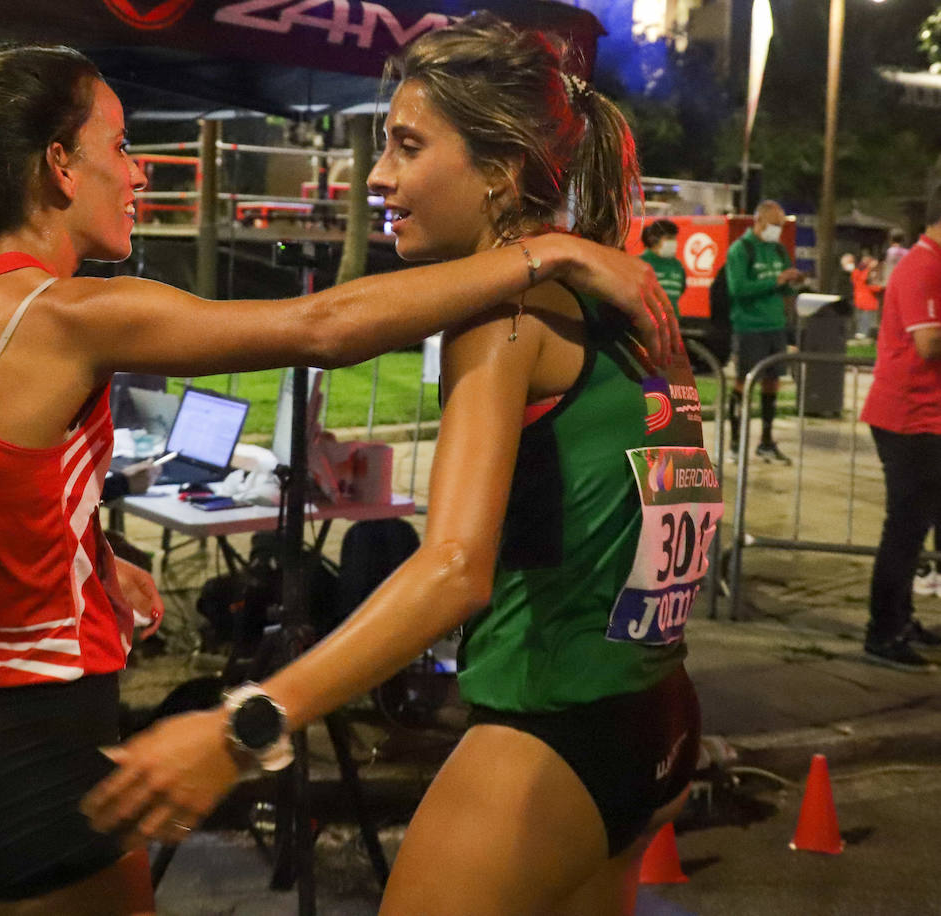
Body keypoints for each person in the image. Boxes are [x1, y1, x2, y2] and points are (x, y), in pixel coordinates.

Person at [0, 39, 675, 916]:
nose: (138, 175)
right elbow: (321, 328)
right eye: (120, 147)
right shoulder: (68, 315)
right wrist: (549, 255)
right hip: (21, 753)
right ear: (58, 165)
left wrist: (89, 553)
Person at [84, 16, 712, 916]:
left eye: (407, 146)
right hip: (658, 714)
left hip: (551, 739)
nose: (377, 175)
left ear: (498, 170)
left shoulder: (507, 317)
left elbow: (454, 571)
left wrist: (243, 724)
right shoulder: (626, 301)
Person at [859, 184, 941, 672]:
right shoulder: (923, 265)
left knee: (914, 530)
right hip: (908, 418)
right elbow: (929, 343)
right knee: (904, 531)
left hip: (925, 417)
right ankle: (882, 632)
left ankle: (901, 619)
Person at [725, 200, 803, 462]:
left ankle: (766, 442)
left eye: (781, 225)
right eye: (774, 225)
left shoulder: (779, 250)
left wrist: (791, 284)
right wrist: (774, 281)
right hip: (749, 327)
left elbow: (782, 289)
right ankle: (735, 443)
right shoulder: (740, 250)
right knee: (743, 383)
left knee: (772, 384)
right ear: (759, 221)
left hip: (775, 326)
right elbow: (737, 289)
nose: (777, 230)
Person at [639, 218, 686, 317]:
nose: (673, 242)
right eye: (669, 238)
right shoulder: (640, 263)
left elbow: (681, 289)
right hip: (648, 324)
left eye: (674, 238)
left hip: (672, 324)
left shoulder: (677, 265)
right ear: (654, 239)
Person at [851, 254, 883, 339]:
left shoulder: (856, 272)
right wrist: (881, 287)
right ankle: (864, 334)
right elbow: (872, 286)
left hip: (859, 298)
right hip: (868, 299)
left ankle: (860, 332)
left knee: (861, 317)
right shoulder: (868, 273)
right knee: (867, 318)